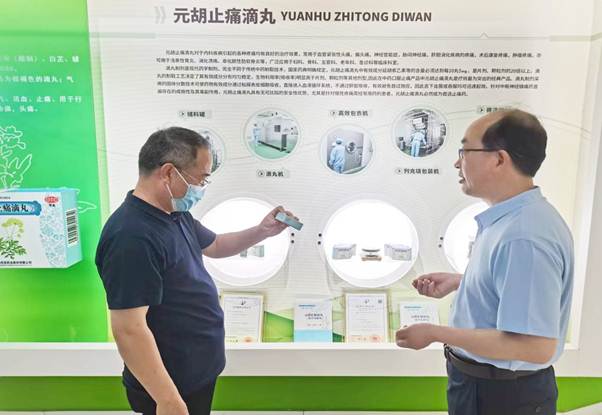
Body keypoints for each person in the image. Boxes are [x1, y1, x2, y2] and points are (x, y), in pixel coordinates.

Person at [96, 127, 295, 415]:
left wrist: (262, 231)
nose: (202, 187)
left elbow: (216, 245)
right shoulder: (132, 237)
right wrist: (167, 399)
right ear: (168, 173)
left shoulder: (174, 214)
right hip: (169, 386)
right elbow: (128, 329)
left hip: (194, 372)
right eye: (200, 178)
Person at [395, 110, 574, 415]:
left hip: (502, 397)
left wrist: (435, 333)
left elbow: (534, 346)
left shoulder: (524, 235)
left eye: (465, 151)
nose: (457, 163)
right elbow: (518, 291)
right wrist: (463, 282)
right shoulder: (512, 220)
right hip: (487, 388)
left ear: (499, 159)